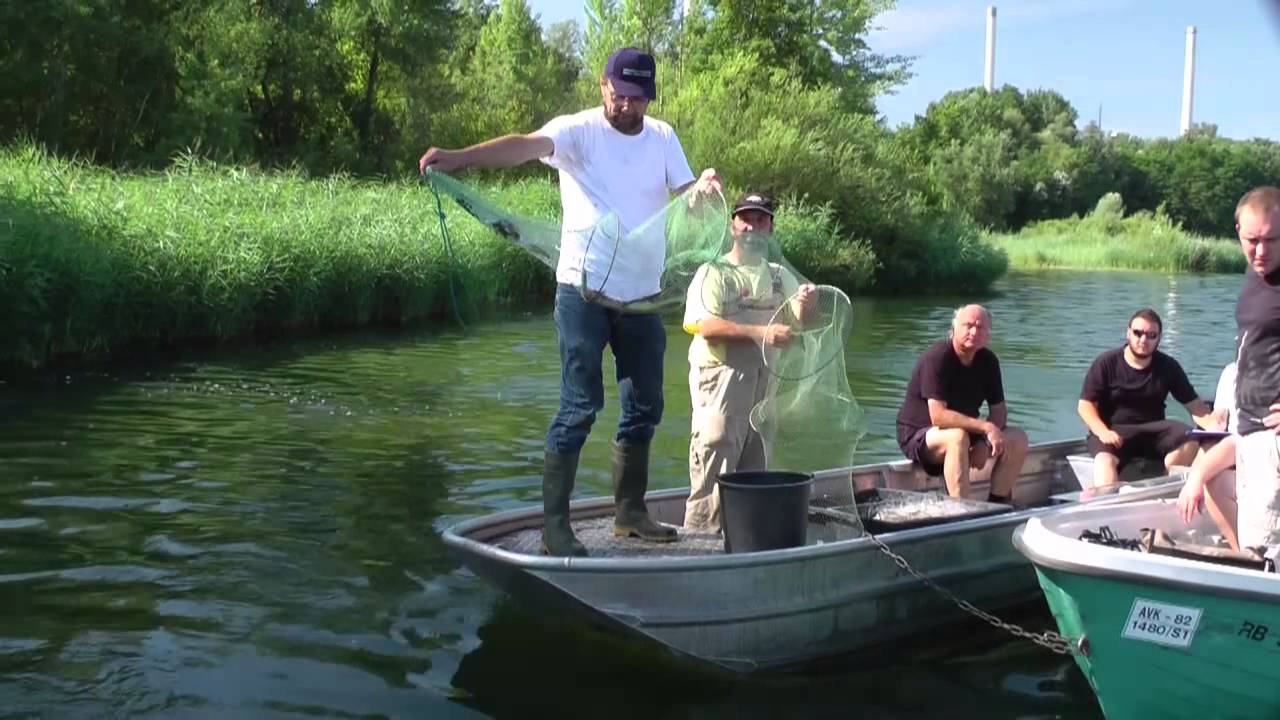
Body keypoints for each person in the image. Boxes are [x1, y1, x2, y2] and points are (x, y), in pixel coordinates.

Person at [419, 47, 721, 556]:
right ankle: (555, 528)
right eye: (619, 94)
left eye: (637, 98)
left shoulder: (663, 137)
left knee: (646, 405)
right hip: (582, 293)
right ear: (603, 85)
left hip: (641, 298)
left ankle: (630, 513)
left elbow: (688, 195)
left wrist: (705, 191)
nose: (627, 105)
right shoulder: (578, 131)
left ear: (649, 97)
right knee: (580, 406)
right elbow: (523, 146)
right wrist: (461, 157)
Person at [681, 192, 816, 533]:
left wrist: (807, 303)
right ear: (733, 226)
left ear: (770, 228)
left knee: (756, 478)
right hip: (721, 389)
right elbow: (707, 327)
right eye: (746, 219)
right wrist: (763, 333)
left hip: (764, 390)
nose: (752, 227)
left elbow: (802, 323)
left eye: (761, 220)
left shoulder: (778, 275)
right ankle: (699, 550)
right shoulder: (713, 272)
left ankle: (743, 547)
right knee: (713, 479)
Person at [895, 305, 1029, 502]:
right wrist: (985, 427)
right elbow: (938, 416)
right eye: (968, 325)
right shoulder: (938, 357)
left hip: (966, 431)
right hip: (921, 434)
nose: (974, 332)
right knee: (957, 437)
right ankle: (962, 511)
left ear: (988, 334)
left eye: (980, 327)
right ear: (955, 327)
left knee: (1017, 438)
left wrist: (984, 441)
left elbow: (999, 411)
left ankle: (998, 505)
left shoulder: (988, 361)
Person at [1077, 308, 1218, 489]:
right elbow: (1085, 405)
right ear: (1128, 332)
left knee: (1189, 436)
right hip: (1113, 432)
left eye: (1151, 335)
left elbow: (1195, 406)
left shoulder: (1168, 366)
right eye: (1138, 333)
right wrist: (1102, 431)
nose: (1143, 340)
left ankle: (1166, 485)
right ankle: (1107, 503)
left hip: (1153, 431)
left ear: (1159, 338)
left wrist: (1215, 426)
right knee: (1104, 460)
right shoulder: (1106, 363)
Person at [1229, 186, 1280, 549]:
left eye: (1272, 240)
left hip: (1272, 439)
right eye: (1252, 240)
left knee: (1266, 555)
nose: (1260, 251)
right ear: (1238, 233)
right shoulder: (1254, 277)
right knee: (1253, 543)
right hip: (1248, 431)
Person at [1178, 361, 1241, 549]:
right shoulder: (1232, 371)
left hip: (1263, 457)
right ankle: (1245, 554)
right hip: (1243, 450)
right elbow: (1238, 440)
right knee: (1212, 474)